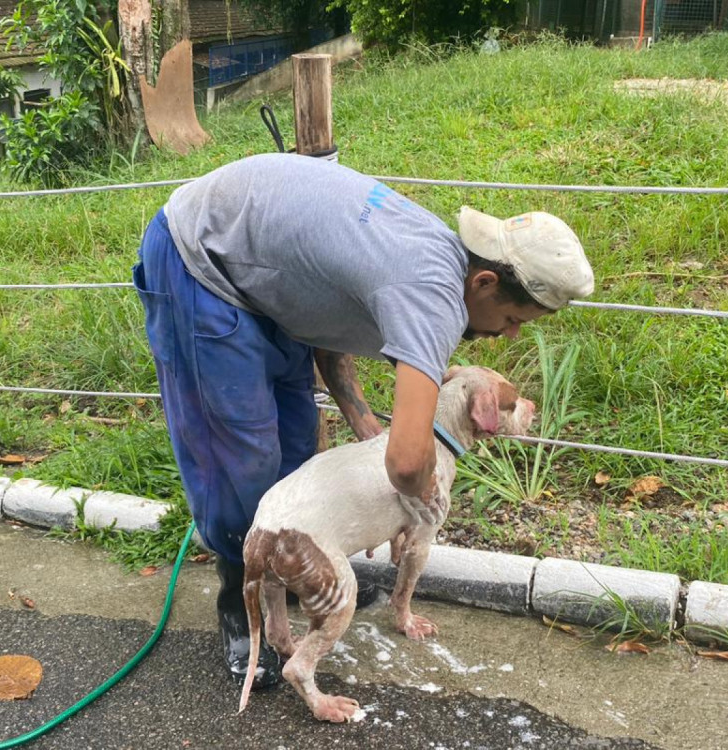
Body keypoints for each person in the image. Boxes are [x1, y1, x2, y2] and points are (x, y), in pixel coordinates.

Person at [132, 153, 594, 687]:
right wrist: (418, 505)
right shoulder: (434, 298)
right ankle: (242, 602)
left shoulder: (440, 259)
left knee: (297, 438)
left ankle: (300, 574)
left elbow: (332, 329)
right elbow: (405, 463)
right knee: (241, 453)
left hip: (258, 265)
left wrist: (362, 423)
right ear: (485, 283)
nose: (510, 335)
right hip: (200, 260)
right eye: (513, 319)